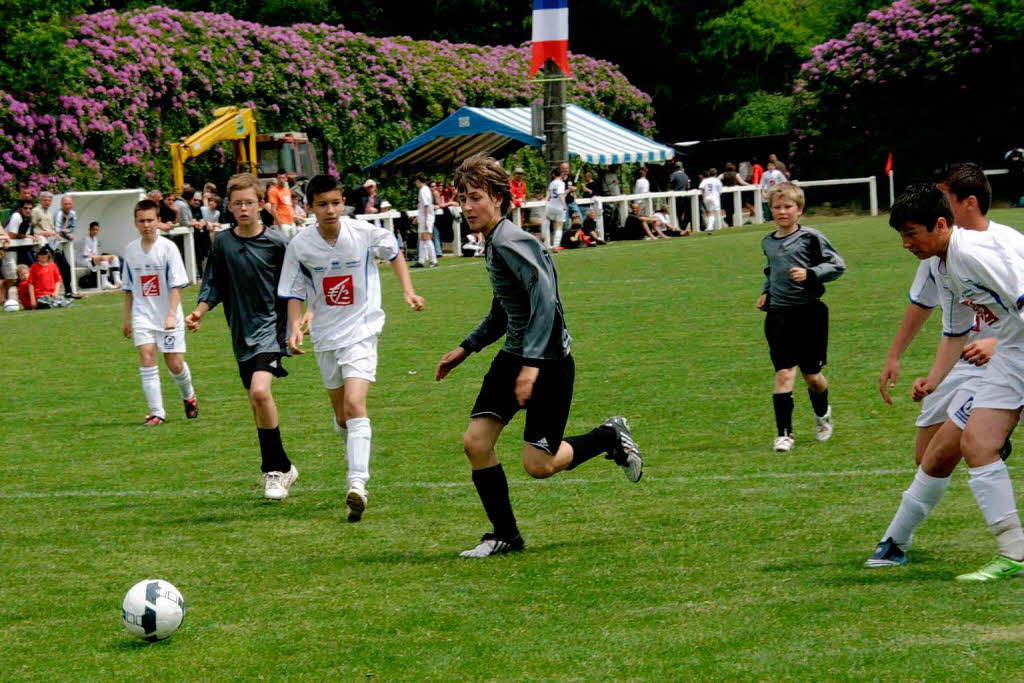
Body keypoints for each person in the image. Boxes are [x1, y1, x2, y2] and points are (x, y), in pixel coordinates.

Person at [434, 155, 643, 558]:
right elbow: (506, 309)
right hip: (514, 356)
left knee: (539, 465)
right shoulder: (495, 242)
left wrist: (531, 365)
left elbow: (547, 302)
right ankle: (505, 536)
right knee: (476, 443)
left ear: (498, 197)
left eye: (475, 197)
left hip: (547, 362)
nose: (467, 207)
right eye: (463, 198)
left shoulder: (514, 241)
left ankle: (609, 436)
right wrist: (466, 348)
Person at [868, 166, 1014, 569]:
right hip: (972, 361)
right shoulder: (943, 258)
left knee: (954, 451)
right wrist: (930, 378)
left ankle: (894, 542)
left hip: (1004, 359)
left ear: (960, 206)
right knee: (927, 455)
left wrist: (998, 341)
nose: (906, 244)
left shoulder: (994, 247)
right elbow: (951, 327)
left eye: (943, 199)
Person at [279, 174, 425, 522]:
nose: (330, 210)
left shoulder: (362, 234)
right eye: (322, 204)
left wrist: (408, 290)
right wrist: (295, 326)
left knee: (356, 404)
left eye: (335, 203)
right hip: (327, 336)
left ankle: (357, 485)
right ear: (310, 207)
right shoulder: (300, 245)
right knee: (343, 417)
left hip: (362, 329)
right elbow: (294, 291)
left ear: (343, 202)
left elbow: (394, 252)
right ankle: (354, 468)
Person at [186, 173, 299, 501]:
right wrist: (199, 312)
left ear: (261, 204)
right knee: (255, 400)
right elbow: (214, 283)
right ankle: (284, 466)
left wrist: (297, 323)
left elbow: (295, 286)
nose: (243, 208)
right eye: (237, 203)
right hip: (241, 333)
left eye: (249, 202)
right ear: (229, 207)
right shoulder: (223, 243)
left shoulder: (278, 243)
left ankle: (273, 472)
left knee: (261, 393)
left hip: (271, 331)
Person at [756, 182, 845, 452]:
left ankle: (822, 414)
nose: (782, 211)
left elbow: (837, 265)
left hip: (810, 314)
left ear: (799, 209)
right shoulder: (768, 242)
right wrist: (766, 292)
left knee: (812, 377)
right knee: (784, 373)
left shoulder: (811, 237)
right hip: (779, 316)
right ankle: (784, 434)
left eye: (788, 206)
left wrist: (811, 273)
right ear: (770, 210)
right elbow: (772, 270)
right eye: (777, 207)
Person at [121, 198, 198, 426]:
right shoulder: (130, 250)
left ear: (158, 221)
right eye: (141, 221)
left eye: (150, 220)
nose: (146, 225)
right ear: (135, 223)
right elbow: (128, 289)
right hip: (142, 314)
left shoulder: (168, 248)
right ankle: (157, 412)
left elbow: (177, 286)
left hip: (167, 315)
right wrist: (126, 319)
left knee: (174, 363)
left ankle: (189, 396)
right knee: (146, 356)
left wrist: (170, 316)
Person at [75, 221, 122, 290]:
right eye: (94, 229)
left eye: (97, 230)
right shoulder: (85, 239)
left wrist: (100, 257)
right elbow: (87, 255)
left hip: (91, 259)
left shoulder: (95, 239)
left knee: (114, 258)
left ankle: (117, 281)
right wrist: (100, 257)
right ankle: (104, 283)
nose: (95, 231)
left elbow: (95, 254)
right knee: (104, 258)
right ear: (90, 229)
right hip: (82, 260)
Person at [413, 173, 437, 268]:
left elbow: (426, 205)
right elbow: (422, 206)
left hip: (427, 218)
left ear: (419, 180)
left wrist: (426, 220)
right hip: (424, 217)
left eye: (416, 181)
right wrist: (418, 217)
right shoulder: (425, 189)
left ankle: (433, 260)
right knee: (422, 239)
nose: (415, 183)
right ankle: (421, 261)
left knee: (426, 238)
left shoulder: (423, 190)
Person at [267, 170, 296, 238]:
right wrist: (280, 225)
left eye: (283, 178)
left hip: (291, 221)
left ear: (286, 179)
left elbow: (289, 206)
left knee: (293, 245)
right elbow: (273, 209)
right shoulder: (273, 191)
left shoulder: (287, 190)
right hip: (282, 223)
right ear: (277, 179)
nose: (281, 180)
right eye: (279, 178)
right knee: (284, 246)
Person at [544, 168, 566, 248]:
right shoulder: (561, 183)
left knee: (547, 220)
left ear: (553, 175)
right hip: (559, 206)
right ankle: (556, 246)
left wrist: (545, 200)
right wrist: (564, 205)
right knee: (559, 225)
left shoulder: (552, 183)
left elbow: (548, 193)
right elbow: (560, 194)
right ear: (561, 174)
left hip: (551, 205)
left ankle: (543, 238)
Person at [699, 169, 724, 233]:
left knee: (710, 213)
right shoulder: (717, 180)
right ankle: (711, 228)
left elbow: (701, 187)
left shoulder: (705, 180)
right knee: (715, 213)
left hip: (706, 198)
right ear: (716, 174)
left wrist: (703, 195)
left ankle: (712, 227)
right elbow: (720, 191)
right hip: (715, 198)